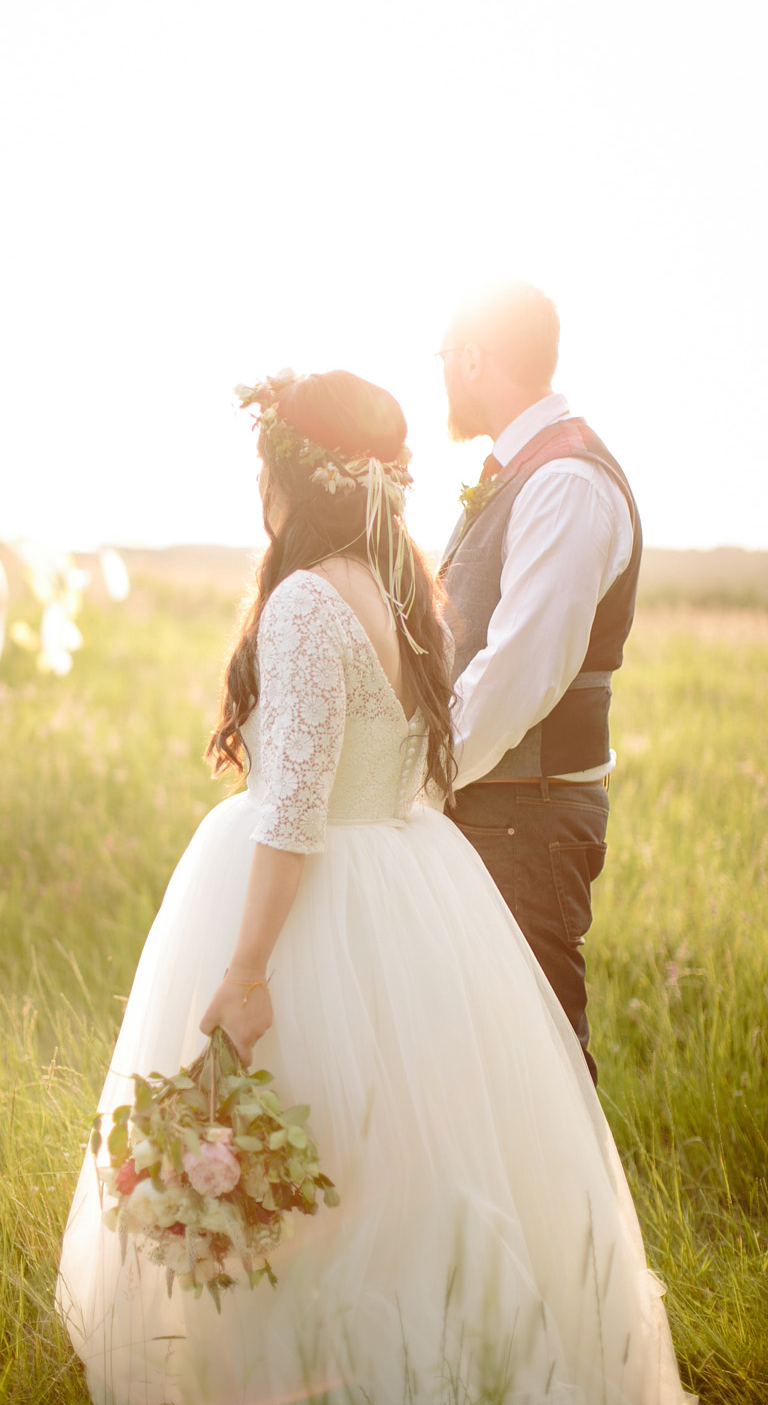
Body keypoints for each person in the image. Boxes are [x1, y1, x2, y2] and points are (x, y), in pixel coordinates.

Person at [56, 369, 691, 1403]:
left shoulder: (308, 600)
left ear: (292, 477)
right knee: (389, 1152)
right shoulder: (407, 596)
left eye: (263, 466)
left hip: (315, 895)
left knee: (300, 1136)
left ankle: (301, 1368)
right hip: (410, 882)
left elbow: (294, 804)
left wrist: (249, 969)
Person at [439, 282, 641, 1085]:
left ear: (474, 357)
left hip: (527, 811)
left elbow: (522, 669)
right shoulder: (526, 469)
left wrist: (421, 775)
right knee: (485, 1064)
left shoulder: (566, 481)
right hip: (503, 803)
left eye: (444, 357)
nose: (442, 377)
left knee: (540, 1068)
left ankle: (580, 1218)